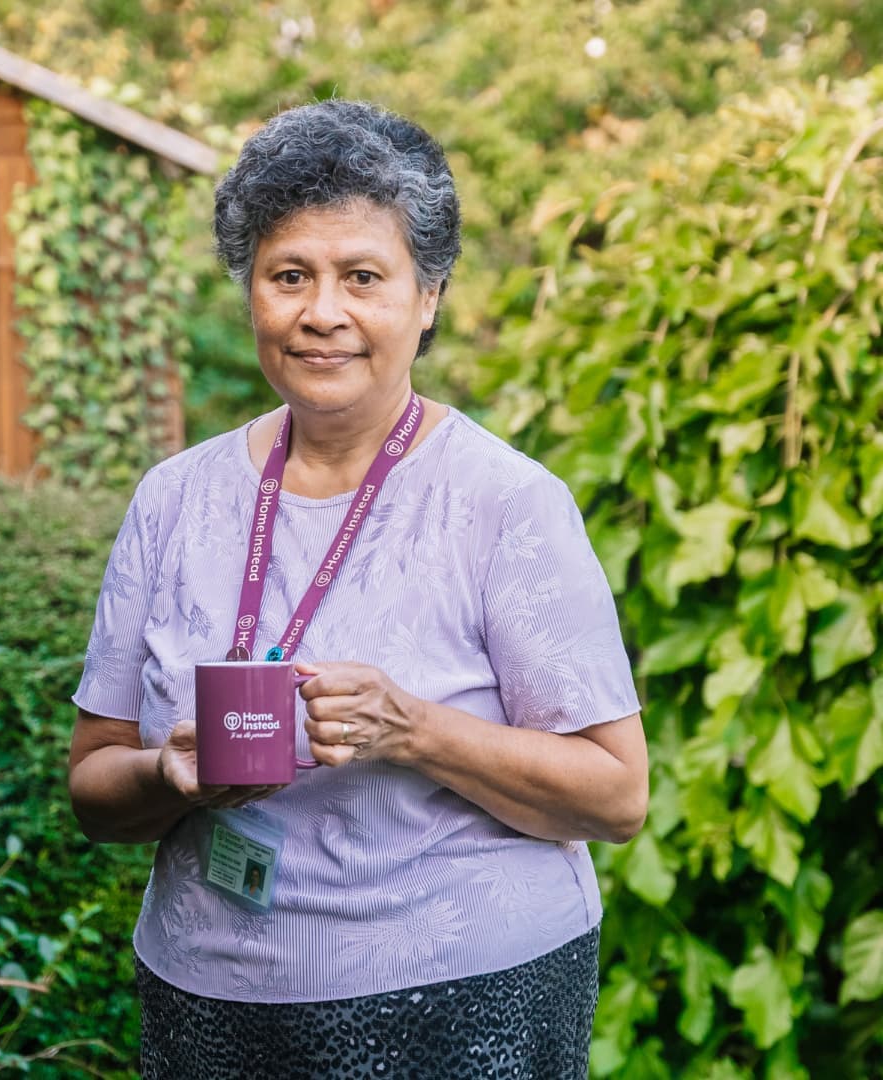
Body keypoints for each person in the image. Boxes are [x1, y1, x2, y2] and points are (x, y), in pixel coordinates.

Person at [67, 99, 648, 1079]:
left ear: (428, 299)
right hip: (211, 1003)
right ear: (249, 291)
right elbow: (91, 786)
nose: (322, 312)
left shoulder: (505, 504)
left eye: (363, 278)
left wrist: (411, 728)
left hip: (463, 1002)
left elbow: (617, 793)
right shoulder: (173, 501)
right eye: (288, 275)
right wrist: (166, 776)